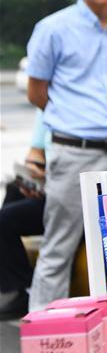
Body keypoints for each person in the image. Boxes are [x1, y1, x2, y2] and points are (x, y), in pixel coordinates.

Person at [25, 0, 107, 311]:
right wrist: (72, 118)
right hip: (73, 153)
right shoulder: (53, 28)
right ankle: (44, 338)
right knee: (58, 248)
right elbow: (37, 92)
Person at [0, 111, 50, 316]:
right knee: (13, 189)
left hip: (65, 197)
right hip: (49, 189)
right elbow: (36, 154)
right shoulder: (47, 109)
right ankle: (14, 283)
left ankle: (23, 289)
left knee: (3, 220)